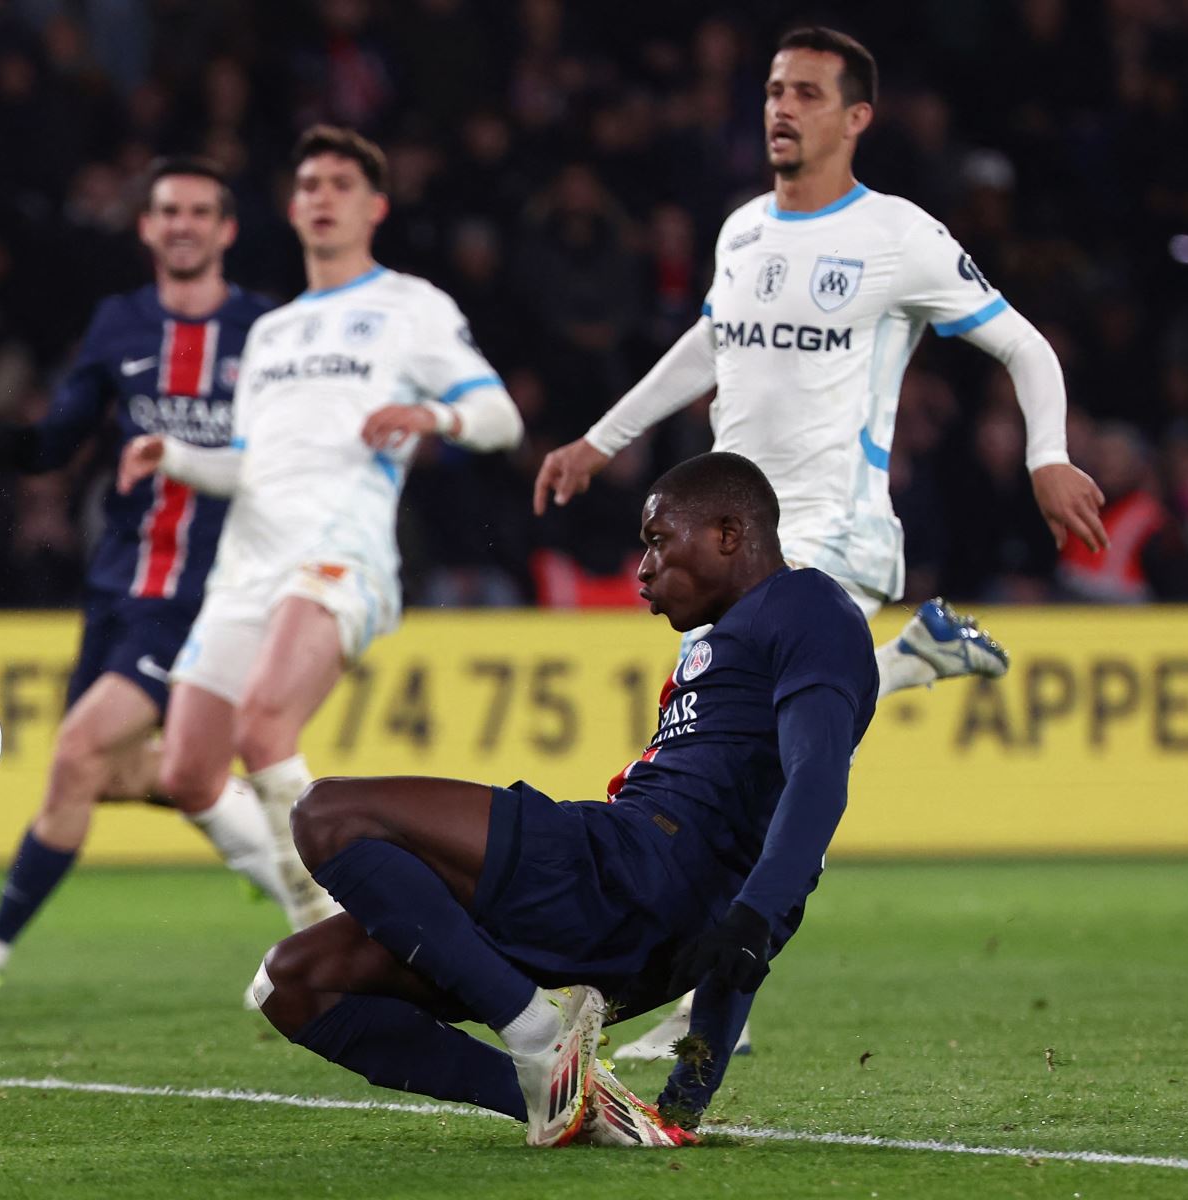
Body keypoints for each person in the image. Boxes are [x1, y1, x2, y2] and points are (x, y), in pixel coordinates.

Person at [531, 26, 1108, 1062]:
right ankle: (908, 665)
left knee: (773, 770)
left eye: (805, 91)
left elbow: (1021, 341)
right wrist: (599, 440)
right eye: (771, 90)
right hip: (725, 553)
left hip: (829, 540)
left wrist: (1048, 458)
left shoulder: (898, 237)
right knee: (741, 775)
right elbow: (709, 342)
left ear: (857, 117)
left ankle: (706, 1015)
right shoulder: (745, 229)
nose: (781, 108)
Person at [250, 452, 877, 1148]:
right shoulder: (736, 642)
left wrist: (755, 917)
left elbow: (817, 780)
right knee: (290, 985)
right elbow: (751, 914)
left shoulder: (806, 607)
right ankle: (576, 1101)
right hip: (634, 943)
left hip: (622, 872)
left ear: (728, 534)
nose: (644, 570)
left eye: (659, 541)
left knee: (325, 815)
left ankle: (534, 1028)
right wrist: (684, 1101)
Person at [117, 126, 524, 928]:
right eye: (308, 186)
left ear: (375, 206)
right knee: (188, 772)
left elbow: (501, 417)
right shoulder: (271, 334)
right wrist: (175, 455)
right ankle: (338, 912)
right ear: (292, 208)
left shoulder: (410, 306)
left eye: (340, 185)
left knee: (266, 723)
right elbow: (248, 465)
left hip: (341, 550)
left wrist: (432, 413)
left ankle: (334, 927)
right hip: (248, 564)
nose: (321, 198)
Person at [0, 158, 289, 992]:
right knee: (114, 772)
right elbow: (64, 433)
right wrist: (7, 446)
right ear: (147, 229)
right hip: (117, 586)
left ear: (226, 230)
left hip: (206, 594)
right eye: (168, 211)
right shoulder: (118, 323)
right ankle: (257, 840)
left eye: (200, 211)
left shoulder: (266, 332)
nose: (183, 224)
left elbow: (291, 452)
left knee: (80, 751)